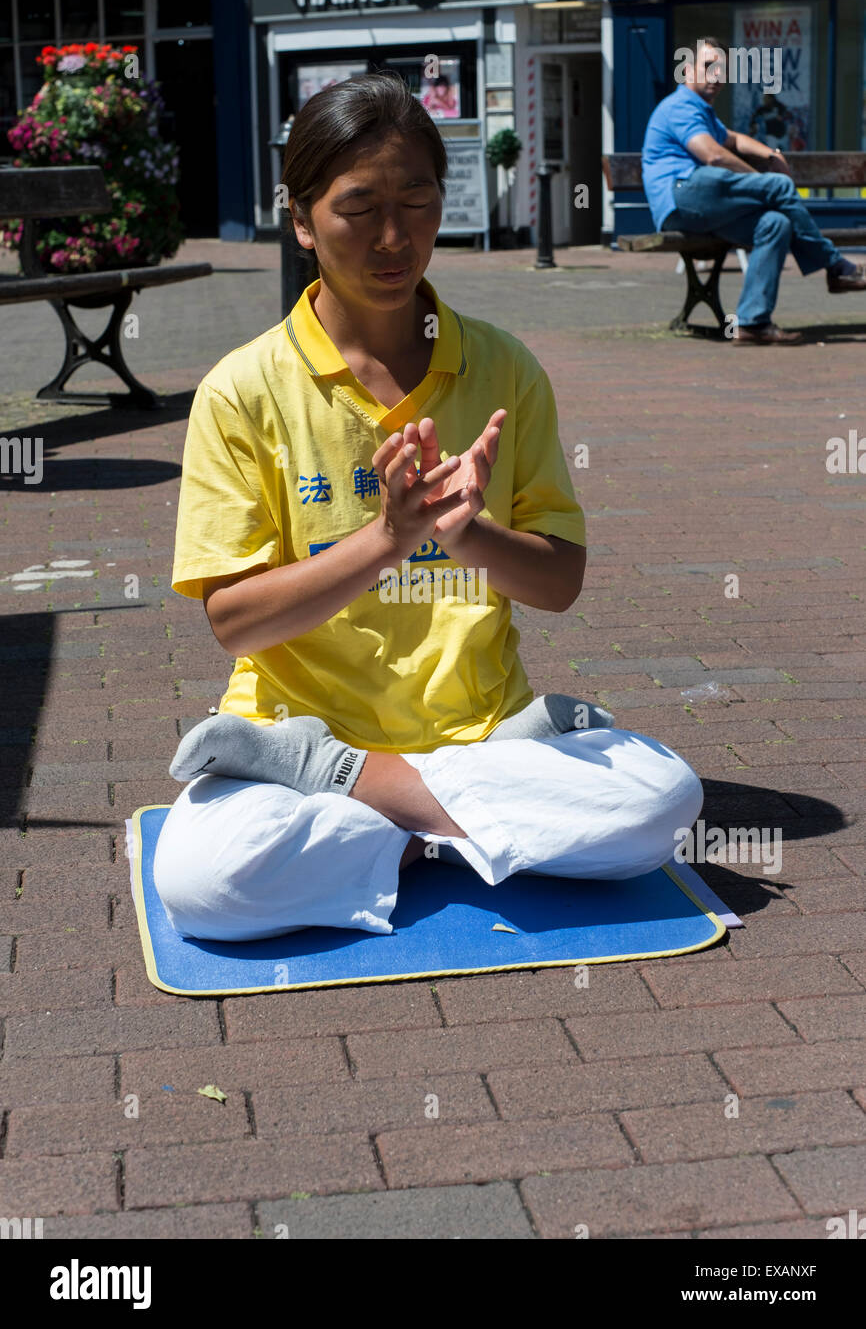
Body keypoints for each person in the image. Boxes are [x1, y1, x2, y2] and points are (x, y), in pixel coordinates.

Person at [153, 73, 703, 943]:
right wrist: (385, 540)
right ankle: (406, 801)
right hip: (297, 733)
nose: (394, 236)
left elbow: (558, 585)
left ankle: (390, 816)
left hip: (486, 733)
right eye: (359, 206)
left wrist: (468, 533)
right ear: (300, 221)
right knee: (202, 882)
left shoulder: (504, 367)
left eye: (417, 200)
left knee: (666, 805)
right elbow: (236, 625)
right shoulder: (241, 390)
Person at [642, 37, 866, 345]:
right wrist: (763, 181)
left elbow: (732, 139)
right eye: (709, 67)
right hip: (681, 196)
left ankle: (752, 323)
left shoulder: (703, 112)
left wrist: (771, 155)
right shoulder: (680, 106)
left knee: (776, 224)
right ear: (687, 70)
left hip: (700, 206)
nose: (717, 76)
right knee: (778, 185)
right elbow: (714, 154)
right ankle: (836, 266)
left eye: (721, 69)